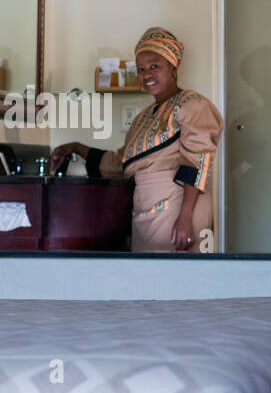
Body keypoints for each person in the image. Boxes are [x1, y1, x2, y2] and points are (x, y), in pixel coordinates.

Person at [50, 27, 223, 253]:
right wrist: (75, 147)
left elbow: (197, 163)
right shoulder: (144, 117)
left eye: (154, 66)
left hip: (179, 207)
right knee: (147, 281)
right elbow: (119, 163)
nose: (146, 75)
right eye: (140, 69)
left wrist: (185, 218)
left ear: (173, 67)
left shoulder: (193, 105)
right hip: (147, 209)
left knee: (175, 281)